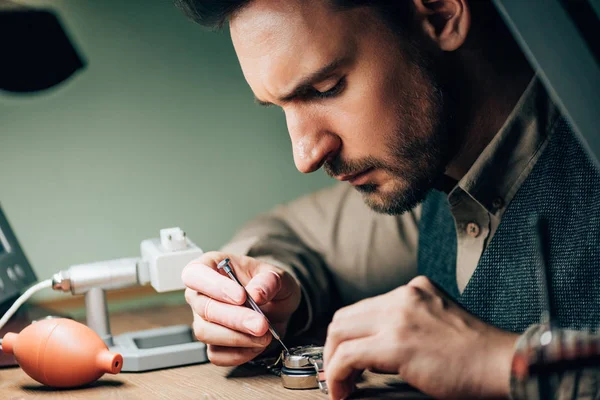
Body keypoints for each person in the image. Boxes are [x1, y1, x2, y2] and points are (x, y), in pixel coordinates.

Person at [173, 1, 600, 398]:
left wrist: (502, 362)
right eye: (279, 106)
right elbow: (289, 234)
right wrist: (259, 295)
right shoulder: (432, 187)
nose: (304, 156)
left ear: (440, 14)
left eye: (326, 88)